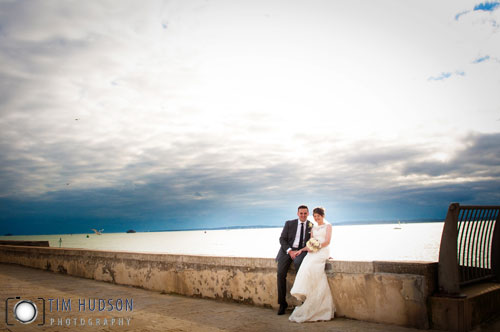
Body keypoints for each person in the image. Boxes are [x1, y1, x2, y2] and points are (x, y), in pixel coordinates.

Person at [289, 206, 335, 323]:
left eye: (318, 216)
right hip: (314, 250)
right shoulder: (313, 227)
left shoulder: (328, 226)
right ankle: (309, 296)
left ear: (323, 216)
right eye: (314, 216)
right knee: (305, 266)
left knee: (312, 266)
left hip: (322, 250)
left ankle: (321, 305)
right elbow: (310, 242)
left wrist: (317, 247)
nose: (316, 218)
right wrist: (303, 249)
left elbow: (327, 241)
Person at [275, 205, 313, 315]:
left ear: (308, 213)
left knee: (299, 269)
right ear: (297, 213)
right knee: (280, 273)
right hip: (287, 250)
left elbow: (312, 242)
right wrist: (290, 251)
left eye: (305, 213)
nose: (303, 215)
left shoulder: (312, 226)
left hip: (301, 251)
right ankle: (282, 304)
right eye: (301, 213)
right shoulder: (289, 223)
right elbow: (282, 239)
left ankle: (302, 301)